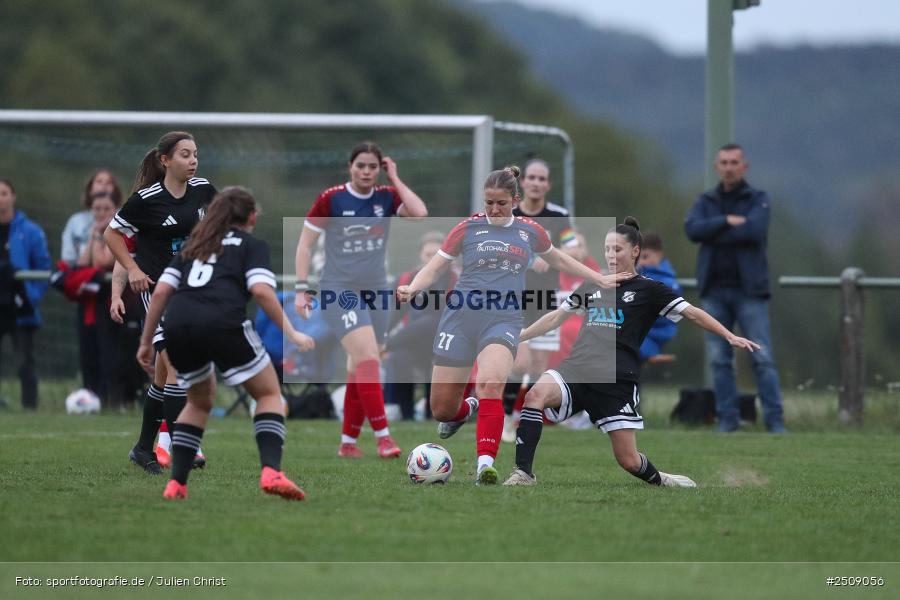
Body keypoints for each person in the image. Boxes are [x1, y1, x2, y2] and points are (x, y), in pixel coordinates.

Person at [396, 166, 632, 485]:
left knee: (492, 384)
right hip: (460, 319)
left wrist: (599, 278)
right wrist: (413, 288)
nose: (494, 209)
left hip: (503, 320)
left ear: (515, 200)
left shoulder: (530, 231)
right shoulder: (467, 228)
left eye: (501, 203)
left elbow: (560, 259)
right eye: (489, 203)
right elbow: (435, 266)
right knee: (442, 410)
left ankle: (485, 466)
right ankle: (467, 410)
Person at [503, 217, 761, 487]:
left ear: (635, 251)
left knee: (629, 461)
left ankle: (662, 480)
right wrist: (519, 335)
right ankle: (524, 473)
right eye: (606, 249)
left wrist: (729, 335)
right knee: (535, 395)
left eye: (617, 249)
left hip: (616, 379)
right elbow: (557, 317)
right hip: (577, 368)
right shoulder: (595, 283)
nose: (611, 255)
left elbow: (693, 314)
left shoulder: (650, 289)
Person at [137, 187, 315, 500]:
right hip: (222, 323)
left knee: (198, 402)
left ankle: (177, 483)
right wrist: (294, 334)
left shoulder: (194, 245)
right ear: (252, 217)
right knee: (270, 394)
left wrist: (146, 340)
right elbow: (261, 291)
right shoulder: (251, 245)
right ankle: (271, 471)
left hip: (179, 326)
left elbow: (162, 293)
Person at [294, 141, 428, 458]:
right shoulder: (332, 199)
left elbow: (420, 213)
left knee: (359, 366)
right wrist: (302, 288)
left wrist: (394, 176)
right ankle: (383, 437)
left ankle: (348, 444)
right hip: (339, 290)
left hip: (376, 291)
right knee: (368, 356)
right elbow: (304, 246)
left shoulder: (385, 197)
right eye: (361, 166)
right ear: (350, 167)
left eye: (372, 166)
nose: (366, 172)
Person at [105, 131, 217, 473]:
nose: (193, 160)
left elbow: (220, 227)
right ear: (165, 160)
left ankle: (143, 448)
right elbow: (112, 234)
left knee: (165, 376)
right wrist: (132, 269)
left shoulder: (203, 190)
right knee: (179, 365)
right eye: (185, 154)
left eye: (195, 154)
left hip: (193, 289)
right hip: (158, 291)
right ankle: (185, 446)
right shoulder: (146, 199)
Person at [684, 143, 786, 433]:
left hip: (750, 291)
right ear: (717, 167)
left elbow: (755, 230)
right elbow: (692, 230)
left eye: (734, 162)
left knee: (762, 358)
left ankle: (775, 421)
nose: (729, 167)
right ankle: (727, 421)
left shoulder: (758, 198)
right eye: (724, 162)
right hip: (714, 290)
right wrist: (727, 221)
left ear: (744, 166)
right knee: (719, 360)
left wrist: (713, 231)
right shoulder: (706, 200)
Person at [382, 231, 455, 420]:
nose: (432, 259)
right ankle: (403, 412)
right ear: (420, 255)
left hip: (447, 341)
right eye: (428, 255)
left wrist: (388, 343)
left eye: (436, 255)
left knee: (431, 323)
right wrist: (383, 335)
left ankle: (433, 413)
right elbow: (396, 312)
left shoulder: (457, 280)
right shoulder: (407, 279)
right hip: (413, 341)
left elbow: (438, 318)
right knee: (399, 356)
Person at [0, 178, 51, 410]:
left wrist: (30, 296)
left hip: (20, 305)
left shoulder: (30, 231)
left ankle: (30, 406)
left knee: (24, 361)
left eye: (3, 193)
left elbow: (43, 268)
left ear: (13, 197)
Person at [636, 231, 681, 364]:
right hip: (637, 334)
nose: (641, 263)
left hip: (652, 335)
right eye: (637, 258)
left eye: (645, 257)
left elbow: (670, 317)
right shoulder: (634, 276)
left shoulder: (667, 283)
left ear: (659, 254)